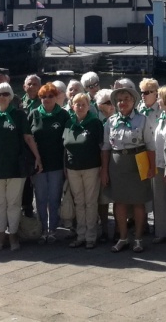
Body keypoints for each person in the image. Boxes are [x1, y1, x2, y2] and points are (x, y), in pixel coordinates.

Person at [0, 82, 42, 251]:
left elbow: (28, 138)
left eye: (5, 94)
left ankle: (13, 235)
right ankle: (1, 235)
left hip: (16, 167)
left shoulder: (19, 116)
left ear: (11, 96)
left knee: (14, 203)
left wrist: (38, 158)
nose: (2, 97)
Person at [103, 86, 155, 253]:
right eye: (119, 100)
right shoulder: (110, 121)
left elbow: (150, 145)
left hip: (137, 162)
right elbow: (105, 147)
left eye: (126, 99)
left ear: (133, 101)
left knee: (139, 201)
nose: (122, 102)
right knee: (119, 202)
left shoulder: (143, 120)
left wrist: (152, 167)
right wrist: (104, 170)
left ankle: (138, 238)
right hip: (117, 165)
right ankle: (123, 237)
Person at [29, 83, 70, 243]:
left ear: (56, 97)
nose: (46, 99)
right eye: (43, 97)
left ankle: (52, 229)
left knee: (54, 198)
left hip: (56, 164)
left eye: (50, 96)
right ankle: (41, 229)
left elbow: (67, 141)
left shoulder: (63, 115)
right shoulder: (33, 114)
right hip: (38, 164)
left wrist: (67, 165)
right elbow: (27, 137)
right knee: (40, 198)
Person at [63, 92, 105, 249]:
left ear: (89, 106)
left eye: (83, 104)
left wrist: (103, 168)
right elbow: (65, 148)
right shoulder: (69, 123)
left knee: (91, 202)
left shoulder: (95, 123)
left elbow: (102, 148)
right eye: (77, 104)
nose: (80, 107)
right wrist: (65, 167)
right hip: (73, 168)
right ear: (72, 106)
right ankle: (80, 235)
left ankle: (91, 236)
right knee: (79, 202)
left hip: (91, 168)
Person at [150, 83, 166, 244]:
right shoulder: (163, 116)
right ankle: (162, 231)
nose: (157, 100)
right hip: (158, 162)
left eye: (159, 97)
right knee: (159, 199)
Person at [94, 88, 115, 242]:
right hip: (100, 162)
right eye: (107, 103)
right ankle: (105, 228)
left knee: (119, 197)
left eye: (112, 102)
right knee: (102, 198)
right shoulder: (96, 121)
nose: (111, 105)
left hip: (118, 162)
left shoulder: (119, 119)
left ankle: (121, 227)